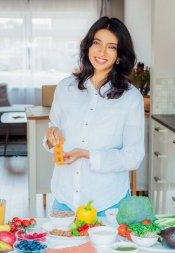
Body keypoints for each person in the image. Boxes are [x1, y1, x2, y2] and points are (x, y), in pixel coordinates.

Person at [43, 16, 144, 216]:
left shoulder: (131, 98)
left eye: (111, 46)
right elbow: (52, 135)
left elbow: (133, 157)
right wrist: (50, 138)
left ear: (119, 55)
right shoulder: (65, 87)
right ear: (88, 46)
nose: (101, 52)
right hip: (65, 200)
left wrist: (88, 154)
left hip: (108, 203)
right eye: (97, 43)